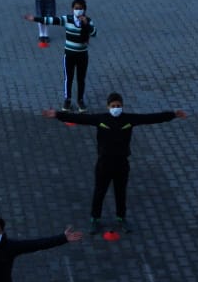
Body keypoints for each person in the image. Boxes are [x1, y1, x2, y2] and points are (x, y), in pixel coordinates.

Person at [43, 92, 187, 234]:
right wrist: (57, 114)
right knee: (99, 192)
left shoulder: (129, 119)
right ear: (108, 106)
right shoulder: (101, 119)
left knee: (121, 192)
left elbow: (151, 118)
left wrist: (172, 114)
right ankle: (95, 219)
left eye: (118, 105)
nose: (116, 108)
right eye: (113, 105)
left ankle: (121, 218)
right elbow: (79, 118)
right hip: (104, 163)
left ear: (122, 106)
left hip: (122, 163)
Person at [23, 0, 95, 110]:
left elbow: (94, 33)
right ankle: (67, 100)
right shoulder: (67, 19)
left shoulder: (88, 21)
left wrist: (86, 24)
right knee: (69, 78)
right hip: (69, 55)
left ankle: (80, 100)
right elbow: (52, 20)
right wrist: (36, 19)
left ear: (84, 9)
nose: (78, 10)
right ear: (72, 9)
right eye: (76, 8)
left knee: (81, 78)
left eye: (81, 8)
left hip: (82, 55)